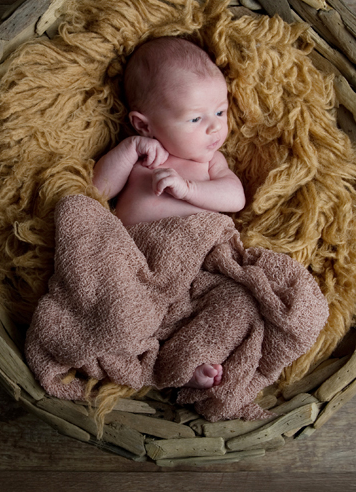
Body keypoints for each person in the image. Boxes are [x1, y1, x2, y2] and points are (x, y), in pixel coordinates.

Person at [91, 36, 246, 390]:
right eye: (195, 118)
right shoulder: (140, 156)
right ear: (144, 125)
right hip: (137, 261)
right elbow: (97, 191)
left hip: (197, 263)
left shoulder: (210, 161)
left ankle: (188, 360)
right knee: (120, 309)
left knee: (231, 301)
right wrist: (129, 149)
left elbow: (235, 198)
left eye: (220, 111)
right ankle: (148, 360)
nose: (214, 127)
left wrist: (190, 190)